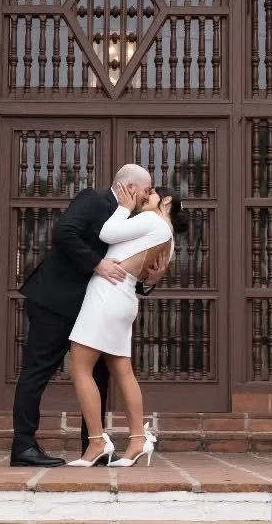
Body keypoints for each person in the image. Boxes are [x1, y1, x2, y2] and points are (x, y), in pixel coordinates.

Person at [10, 163, 164, 468]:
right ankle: (23, 447)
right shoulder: (92, 199)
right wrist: (97, 264)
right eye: (147, 189)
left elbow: (126, 268)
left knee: (100, 378)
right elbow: (63, 233)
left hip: (94, 309)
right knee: (37, 371)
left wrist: (149, 283)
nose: (149, 196)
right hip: (56, 303)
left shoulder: (133, 219)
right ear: (131, 187)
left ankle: (94, 446)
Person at [66, 188, 190, 467]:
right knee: (122, 369)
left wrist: (123, 207)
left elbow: (107, 234)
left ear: (166, 201)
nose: (143, 198)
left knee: (80, 367)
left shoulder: (153, 220)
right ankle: (137, 440)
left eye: (151, 193)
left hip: (107, 294)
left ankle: (97, 441)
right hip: (125, 297)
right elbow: (146, 274)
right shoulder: (168, 237)